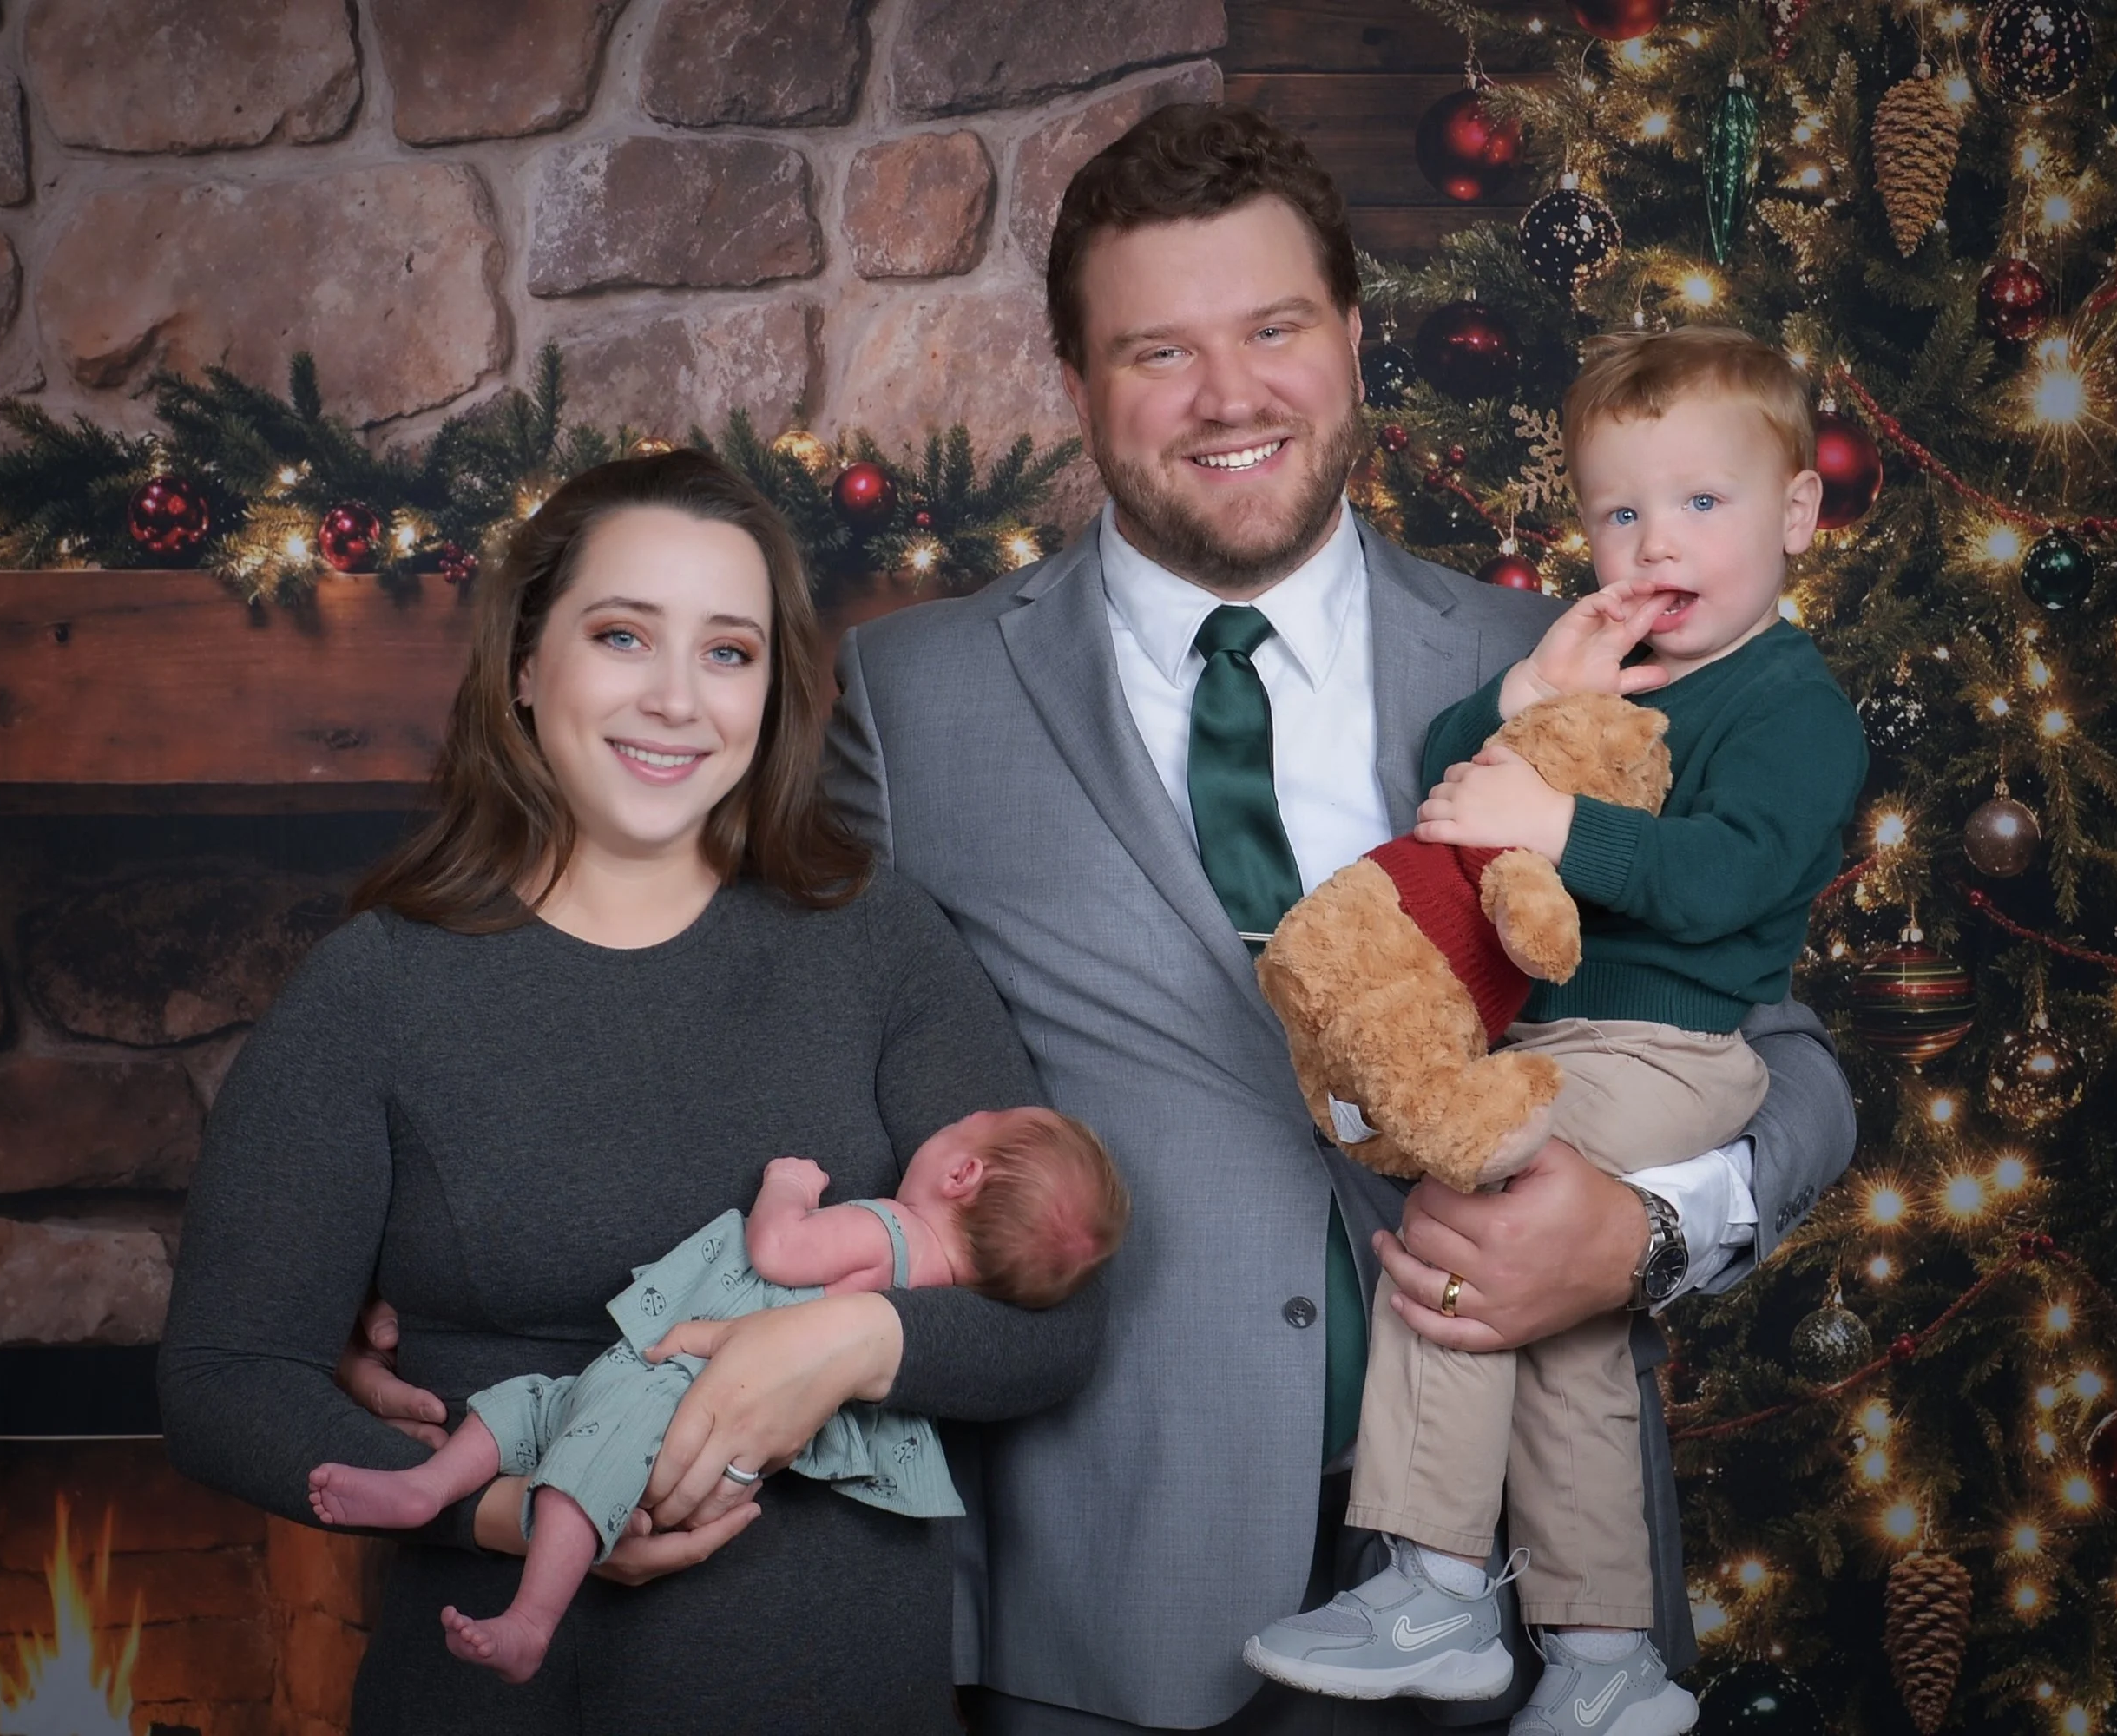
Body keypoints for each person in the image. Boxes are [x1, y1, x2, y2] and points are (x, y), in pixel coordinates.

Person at [821, 104, 1858, 1733]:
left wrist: (1647, 1233)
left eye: (1275, 329)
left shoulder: (1570, 657)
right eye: (1158, 350)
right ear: (1074, 382)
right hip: (1107, 1596)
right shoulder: (914, 698)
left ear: (1353, 342)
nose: (1230, 397)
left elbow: (1783, 1058)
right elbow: (796, 1051)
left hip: (1534, 1606)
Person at [158, 450, 1106, 1734]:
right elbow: (227, 1377)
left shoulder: (879, 944)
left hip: (834, 1696)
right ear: (523, 666)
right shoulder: (374, 991)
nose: (675, 701)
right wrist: (511, 1514)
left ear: (774, 697)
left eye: (729, 653)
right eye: (621, 636)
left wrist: (843, 1341)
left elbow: (1055, 1322)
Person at [1244, 328, 1866, 1733]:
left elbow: (1728, 883)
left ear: (1797, 515)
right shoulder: (1617, 660)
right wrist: (1529, 702)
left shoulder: (1793, 705)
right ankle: (1604, 1659)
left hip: (1672, 1054)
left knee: (1471, 1212)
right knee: (1570, 1341)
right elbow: (1451, 784)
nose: (1659, 542)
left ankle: (1437, 1583)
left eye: (1704, 504)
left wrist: (1559, 826)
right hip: (1572, 1051)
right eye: (1621, 512)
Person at [306, 1111, 1127, 1686]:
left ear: (962, 1172)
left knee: (573, 1453)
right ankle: (427, 1488)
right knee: (533, 1409)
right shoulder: (935, 1287)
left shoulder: (888, 1230)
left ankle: (530, 1618)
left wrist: (789, 1185)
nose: (951, 1116)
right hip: (699, 1414)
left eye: (969, 1118)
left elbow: (777, 1249)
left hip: (677, 1390)